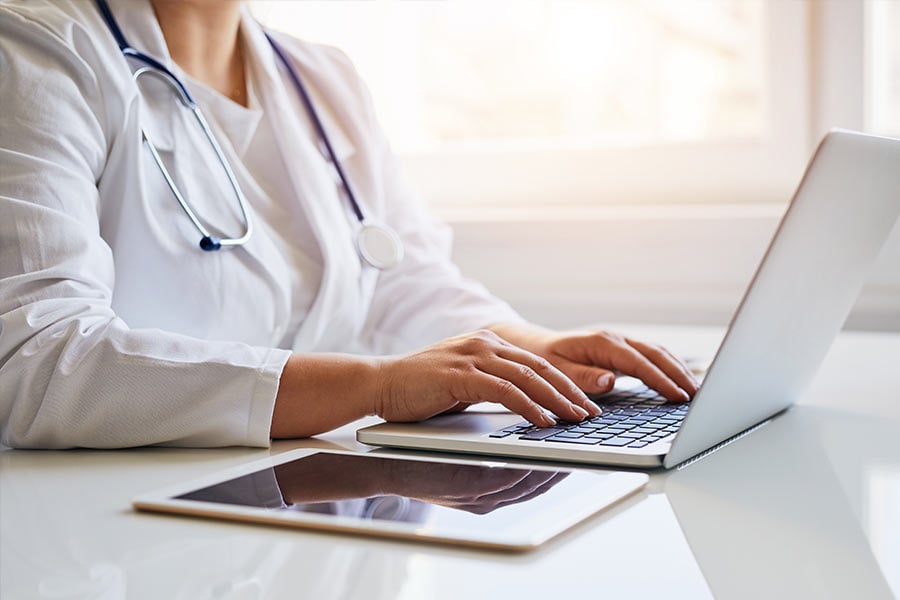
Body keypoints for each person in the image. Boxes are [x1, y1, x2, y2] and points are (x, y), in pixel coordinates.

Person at [0, 0, 698, 449]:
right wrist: (376, 385)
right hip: (108, 536)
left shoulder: (320, 76)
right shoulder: (35, 50)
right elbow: (33, 362)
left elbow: (404, 285)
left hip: (297, 502)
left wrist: (533, 349)